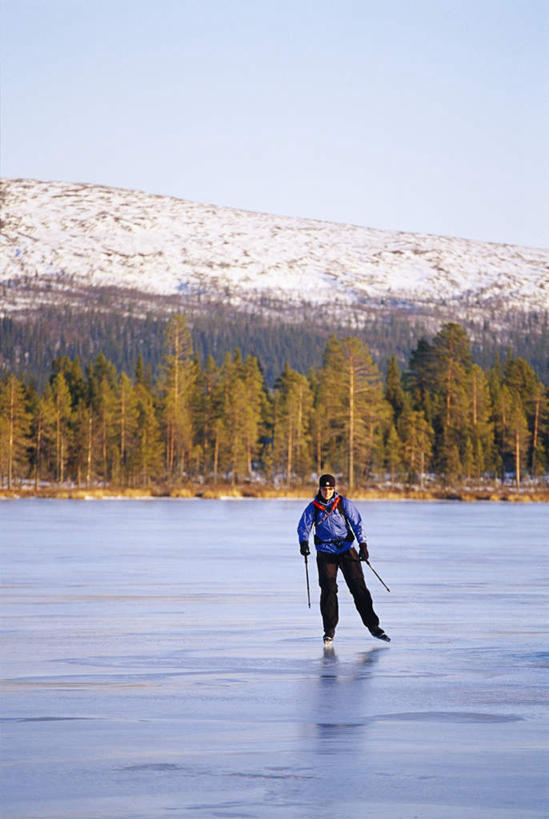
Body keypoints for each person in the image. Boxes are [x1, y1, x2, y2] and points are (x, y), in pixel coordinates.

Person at [297, 473, 390, 647]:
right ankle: (329, 631)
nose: (327, 492)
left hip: (347, 550)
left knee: (358, 588)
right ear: (320, 489)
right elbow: (304, 526)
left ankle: (373, 626)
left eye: (330, 489)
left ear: (334, 488)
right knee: (328, 590)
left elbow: (357, 523)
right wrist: (303, 542)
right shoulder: (313, 507)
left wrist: (363, 545)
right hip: (325, 552)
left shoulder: (343, 504)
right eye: (324, 489)